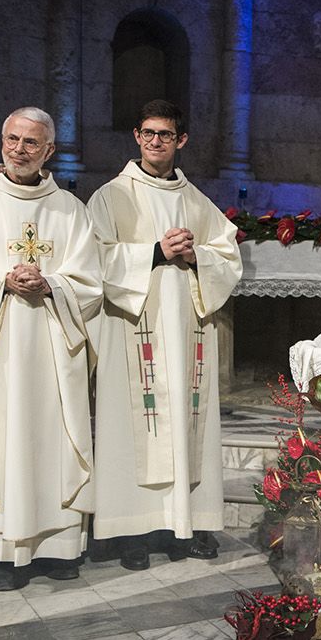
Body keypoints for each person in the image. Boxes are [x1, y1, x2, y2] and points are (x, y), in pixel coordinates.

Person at [88, 99, 241, 568]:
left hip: (187, 332)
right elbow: (93, 261)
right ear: (136, 136)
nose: (157, 142)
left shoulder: (197, 202)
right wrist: (154, 251)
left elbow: (228, 258)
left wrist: (199, 258)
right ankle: (131, 531)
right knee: (131, 427)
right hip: (134, 330)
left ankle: (186, 524)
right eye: (149, 133)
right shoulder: (110, 196)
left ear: (181, 140)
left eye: (166, 135)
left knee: (185, 424)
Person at [0, 108, 102, 591]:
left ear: (49, 151)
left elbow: (90, 282)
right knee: (0, 442)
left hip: (51, 349)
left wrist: (51, 284)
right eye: (11, 139)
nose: (18, 149)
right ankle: (1, 554)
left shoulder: (70, 209)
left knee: (53, 440)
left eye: (30, 143)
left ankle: (58, 546)